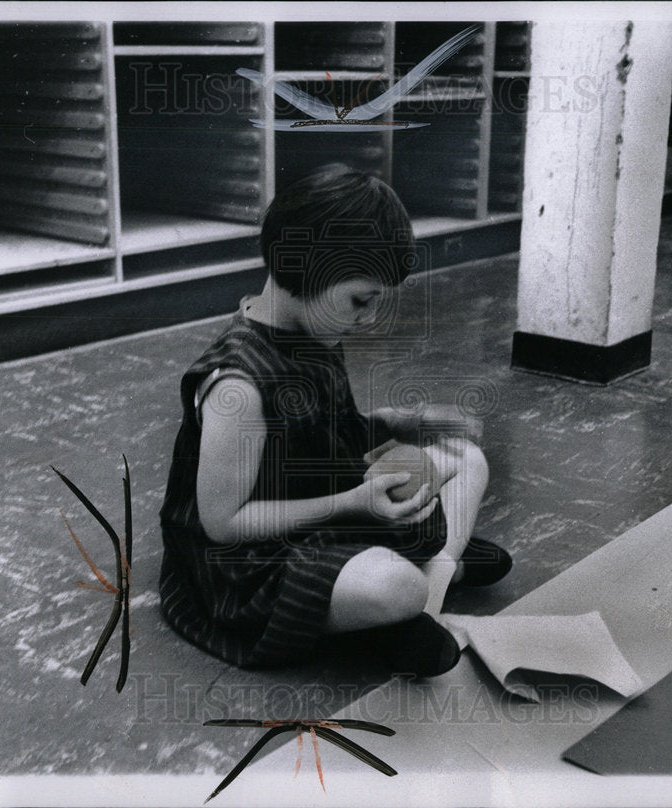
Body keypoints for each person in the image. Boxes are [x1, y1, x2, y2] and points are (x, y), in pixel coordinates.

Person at [159, 164, 510, 678]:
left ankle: (429, 579)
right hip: (250, 562)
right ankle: (424, 588)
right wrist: (352, 502)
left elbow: (329, 431)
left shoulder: (315, 333)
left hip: (321, 504)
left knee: (468, 460)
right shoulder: (236, 386)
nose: (367, 318)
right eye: (360, 301)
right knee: (397, 587)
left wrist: (398, 423)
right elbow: (223, 524)